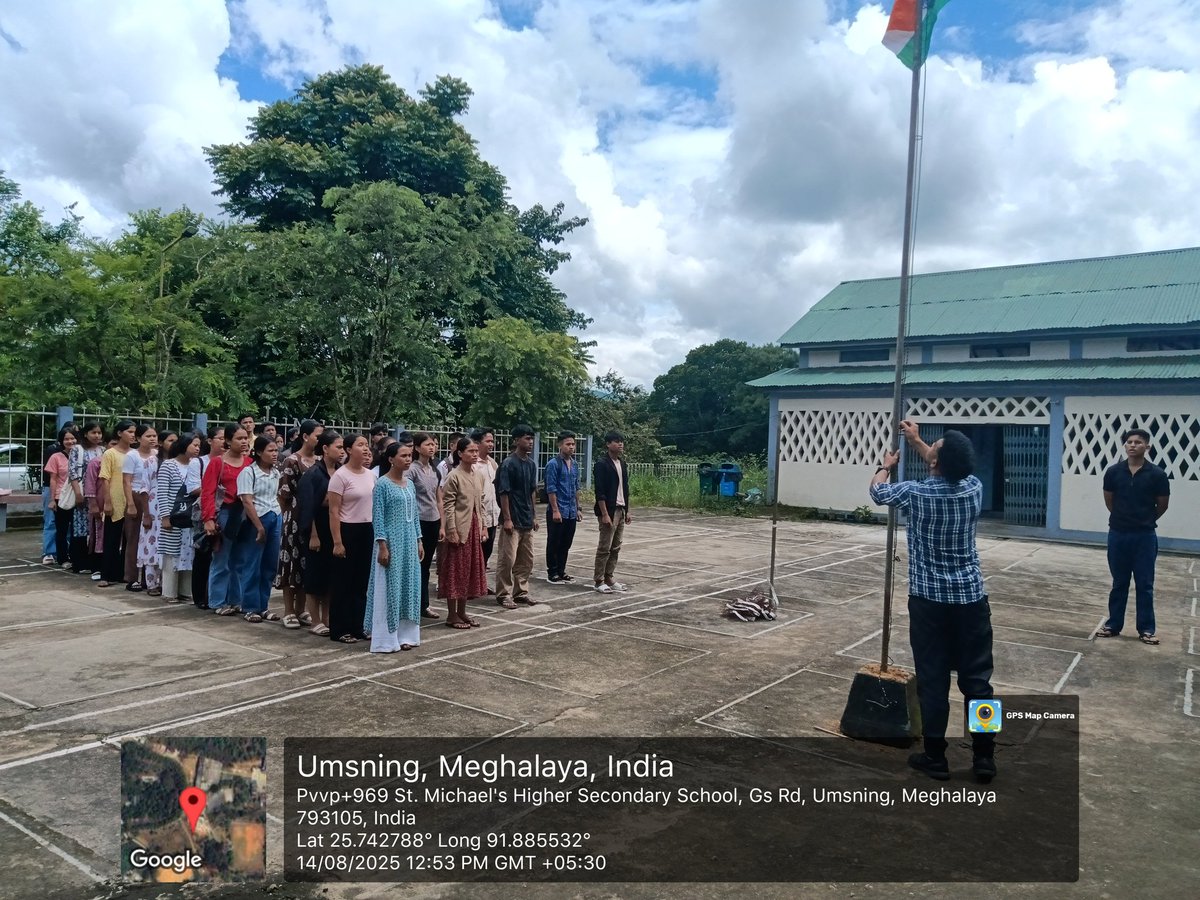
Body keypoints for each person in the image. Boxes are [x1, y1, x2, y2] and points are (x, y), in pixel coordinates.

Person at [869, 420, 996, 784]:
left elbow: (878, 493)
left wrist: (885, 467)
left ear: (935, 463)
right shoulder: (973, 487)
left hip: (929, 603)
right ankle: (985, 757)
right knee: (979, 684)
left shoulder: (916, 494)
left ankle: (935, 757)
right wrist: (917, 441)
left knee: (934, 681)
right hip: (972, 600)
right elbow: (943, 464)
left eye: (933, 450)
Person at [1095, 428, 1171, 645]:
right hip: (1118, 534)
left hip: (1144, 536)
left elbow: (1163, 504)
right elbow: (1109, 500)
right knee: (1119, 582)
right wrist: (1122, 518)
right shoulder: (1113, 472)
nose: (1132, 445)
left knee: (1145, 584)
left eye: (1138, 442)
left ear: (1147, 446)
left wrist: (1144, 520)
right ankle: (1113, 625)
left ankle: (1146, 629)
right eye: (1129, 442)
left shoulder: (1157, 474)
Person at [366, 442, 424, 652]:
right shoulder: (382, 484)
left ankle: (406, 634)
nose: (408, 459)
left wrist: (419, 539)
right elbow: (378, 516)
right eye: (403, 456)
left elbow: (415, 515)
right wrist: (382, 544)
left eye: (410, 455)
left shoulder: (409, 484)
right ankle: (386, 638)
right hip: (391, 541)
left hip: (409, 541)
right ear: (391, 459)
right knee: (390, 586)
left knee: (409, 585)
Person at [327, 433, 377, 643]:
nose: (365, 449)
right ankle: (339, 629)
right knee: (343, 582)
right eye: (360, 445)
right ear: (348, 450)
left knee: (361, 582)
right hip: (347, 530)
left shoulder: (370, 474)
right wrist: (338, 541)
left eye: (367, 445)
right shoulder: (340, 476)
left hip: (367, 530)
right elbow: (333, 511)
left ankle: (358, 625)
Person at [200, 423, 253, 615]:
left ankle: (236, 600)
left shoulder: (249, 463)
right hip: (224, 513)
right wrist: (209, 519)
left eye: (246, 438)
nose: (244, 442)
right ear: (228, 441)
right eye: (239, 438)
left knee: (240, 559)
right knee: (221, 559)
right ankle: (217, 601)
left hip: (244, 513)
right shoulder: (218, 463)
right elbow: (208, 492)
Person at [297, 431, 343, 636]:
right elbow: (309, 507)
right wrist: (313, 534)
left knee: (332, 576)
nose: (342, 451)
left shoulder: (341, 471)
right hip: (318, 529)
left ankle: (327, 618)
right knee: (315, 576)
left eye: (343, 447)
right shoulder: (313, 474)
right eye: (338, 447)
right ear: (325, 449)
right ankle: (315, 620)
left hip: (336, 530)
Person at [439, 437, 488, 628]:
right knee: (455, 571)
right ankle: (452, 614)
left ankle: (462, 612)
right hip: (459, 529)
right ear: (460, 454)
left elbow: (480, 503)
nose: (475, 454)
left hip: (473, 528)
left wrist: (483, 526)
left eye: (476, 451)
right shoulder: (454, 476)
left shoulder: (478, 475)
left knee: (468, 571)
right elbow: (448, 505)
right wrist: (451, 529)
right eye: (471, 451)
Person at [278, 419, 323, 629]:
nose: (320, 439)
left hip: (314, 519)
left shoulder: (320, 461)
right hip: (294, 518)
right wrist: (290, 516)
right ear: (305, 436)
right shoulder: (292, 461)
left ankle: (301, 608)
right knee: (291, 562)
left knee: (307, 563)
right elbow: (283, 494)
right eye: (317, 435)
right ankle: (288, 610)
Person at [238, 436, 284, 623]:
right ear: (258, 452)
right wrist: (259, 526)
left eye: (275, 450)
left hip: (275, 516)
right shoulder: (249, 473)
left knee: (269, 565)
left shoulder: (275, 472)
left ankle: (263, 605)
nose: (275, 454)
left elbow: (278, 495)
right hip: (258, 518)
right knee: (252, 563)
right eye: (270, 451)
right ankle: (249, 606)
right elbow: (247, 501)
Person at [495, 424, 540, 608]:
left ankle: (521, 591)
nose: (530, 442)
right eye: (526, 439)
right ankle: (503, 593)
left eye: (531, 439)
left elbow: (532, 492)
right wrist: (507, 518)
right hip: (512, 520)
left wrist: (534, 515)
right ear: (516, 441)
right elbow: (504, 492)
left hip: (526, 518)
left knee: (526, 559)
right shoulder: (508, 464)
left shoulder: (531, 464)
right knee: (507, 558)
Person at [156, 433, 200, 604]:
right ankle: (169, 591)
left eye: (198, 445)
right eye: (194, 445)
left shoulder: (196, 465)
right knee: (171, 553)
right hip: (174, 516)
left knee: (189, 552)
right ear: (183, 445)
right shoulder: (169, 465)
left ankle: (185, 591)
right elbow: (162, 492)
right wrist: (165, 516)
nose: (197, 448)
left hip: (190, 517)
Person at [186, 425, 225, 609]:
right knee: (203, 553)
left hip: (226, 511)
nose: (224, 442)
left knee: (222, 555)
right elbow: (193, 488)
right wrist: (217, 492)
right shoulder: (198, 462)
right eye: (220, 438)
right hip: (204, 511)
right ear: (209, 441)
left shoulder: (231, 461)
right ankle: (200, 596)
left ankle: (217, 594)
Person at [97, 421, 136, 588]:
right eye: (129, 431)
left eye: (134, 432)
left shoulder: (135, 454)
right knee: (111, 539)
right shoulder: (110, 454)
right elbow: (105, 478)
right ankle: (106, 574)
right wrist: (107, 501)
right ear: (120, 433)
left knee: (129, 540)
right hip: (115, 498)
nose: (133, 435)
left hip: (132, 500)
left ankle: (123, 573)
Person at [593, 430, 632, 593]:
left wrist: (627, 510)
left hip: (621, 509)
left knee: (616, 546)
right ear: (608, 444)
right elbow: (600, 491)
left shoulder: (622, 463)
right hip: (609, 510)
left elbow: (625, 488)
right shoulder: (602, 464)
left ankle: (609, 576)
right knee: (605, 546)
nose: (620, 444)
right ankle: (599, 579)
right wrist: (604, 514)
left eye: (621, 441)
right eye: (616, 441)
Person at [410, 432, 443, 620]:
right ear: (417, 447)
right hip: (418, 521)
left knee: (425, 565)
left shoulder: (435, 470)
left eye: (433, 444)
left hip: (433, 521)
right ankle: (414, 604)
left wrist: (442, 525)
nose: (432, 448)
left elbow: (439, 498)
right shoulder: (412, 470)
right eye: (427, 444)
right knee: (416, 564)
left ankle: (424, 604)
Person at [121, 424, 158, 592]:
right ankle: (132, 577)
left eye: (154, 436)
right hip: (136, 497)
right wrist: (130, 504)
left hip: (152, 500)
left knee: (150, 540)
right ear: (139, 438)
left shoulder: (157, 456)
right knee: (134, 538)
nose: (152, 439)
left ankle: (148, 578)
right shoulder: (132, 456)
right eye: (148, 436)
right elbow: (126, 481)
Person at [544, 430, 580, 583]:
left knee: (566, 542)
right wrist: (555, 510)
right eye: (568, 444)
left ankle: (561, 570)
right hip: (558, 510)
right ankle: (552, 572)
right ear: (560, 445)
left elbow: (577, 487)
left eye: (573, 444)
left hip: (571, 510)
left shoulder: (575, 464)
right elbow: (551, 488)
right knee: (554, 541)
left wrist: (578, 508)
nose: (571, 447)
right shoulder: (553, 464)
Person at [44, 426, 80, 567]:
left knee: (77, 530)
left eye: (72, 438)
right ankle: (63, 558)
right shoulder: (56, 457)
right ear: (61, 441)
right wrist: (52, 499)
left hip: (79, 497)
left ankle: (76, 556)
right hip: (62, 496)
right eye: (66, 439)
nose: (70, 441)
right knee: (62, 529)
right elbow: (53, 479)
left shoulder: (81, 456)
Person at [72, 422, 105, 574]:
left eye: (99, 433)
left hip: (99, 495)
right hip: (83, 493)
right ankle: (79, 562)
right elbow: (72, 472)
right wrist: (78, 493)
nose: (97, 435)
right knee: (81, 528)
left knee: (96, 529)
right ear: (85, 434)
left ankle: (94, 563)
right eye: (93, 432)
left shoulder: (103, 450)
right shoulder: (77, 450)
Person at [470, 428, 500, 584]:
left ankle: (480, 583)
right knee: (476, 552)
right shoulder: (473, 466)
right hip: (479, 517)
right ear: (477, 443)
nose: (491, 444)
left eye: (492, 441)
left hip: (493, 515)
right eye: (487, 441)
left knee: (487, 552)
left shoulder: (492, 463)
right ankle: (472, 584)